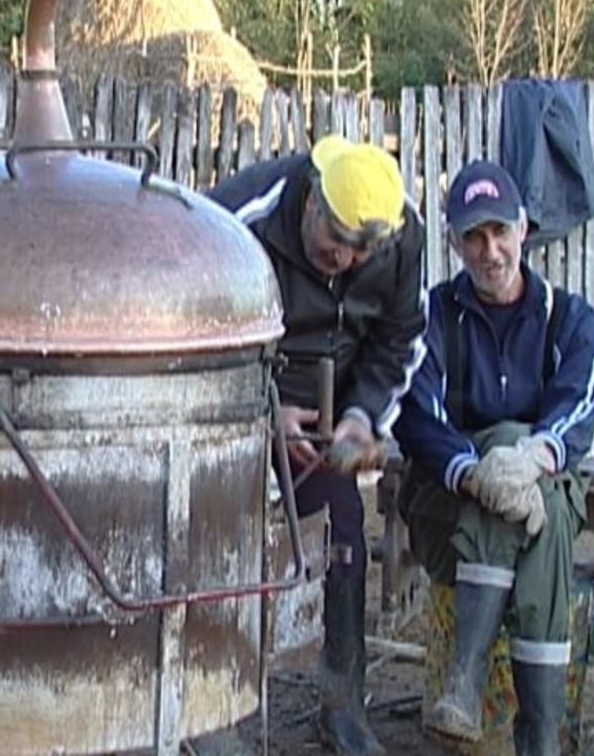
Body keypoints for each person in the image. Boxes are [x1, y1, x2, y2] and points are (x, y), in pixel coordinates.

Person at [208, 135, 427, 756]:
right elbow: (191, 338)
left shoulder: (401, 235)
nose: (349, 260)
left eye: (365, 251)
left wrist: (361, 421)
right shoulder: (238, 220)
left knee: (344, 535)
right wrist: (261, 417)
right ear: (310, 204)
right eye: (337, 241)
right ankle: (211, 710)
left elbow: (400, 341)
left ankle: (343, 705)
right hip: (236, 411)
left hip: (329, 421)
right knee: (214, 544)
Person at [393, 160, 594, 755]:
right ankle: (538, 737)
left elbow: (585, 397)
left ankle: (465, 686)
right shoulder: (432, 316)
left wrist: (535, 455)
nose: (490, 251)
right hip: (446, 513)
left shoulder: (570, 318)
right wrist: (477, 471)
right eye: (473, 237)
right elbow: (416, 414)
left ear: (522, 228)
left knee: (541, 499)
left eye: (500, 233)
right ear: (454, 243)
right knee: (520, 471)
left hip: (542, 504)